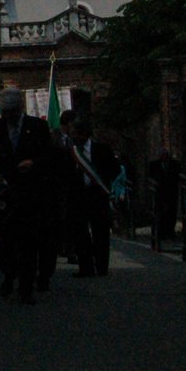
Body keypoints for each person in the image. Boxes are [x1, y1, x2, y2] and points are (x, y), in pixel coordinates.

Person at [0, 88, 55, 303]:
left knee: (28, 242)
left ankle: (26, 286)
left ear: (21, 108)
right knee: (4, 240)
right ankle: (8, 274)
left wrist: (33, 163)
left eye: (13, 112)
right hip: (4, 193)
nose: (9, 116)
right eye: (6, 112)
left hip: (30, 193)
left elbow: (50, 157)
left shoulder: (37, 126)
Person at [64, 111, 121, 276]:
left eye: (76, 133)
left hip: (98, 195)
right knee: (80, 233)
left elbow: (114, 169)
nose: (74, 137)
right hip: (78, 197)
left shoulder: (102, 150)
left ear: (84, 134)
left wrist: (104, 180)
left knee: (101, 232)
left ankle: (102, 267)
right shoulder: (71, 153)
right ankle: (86, 267)